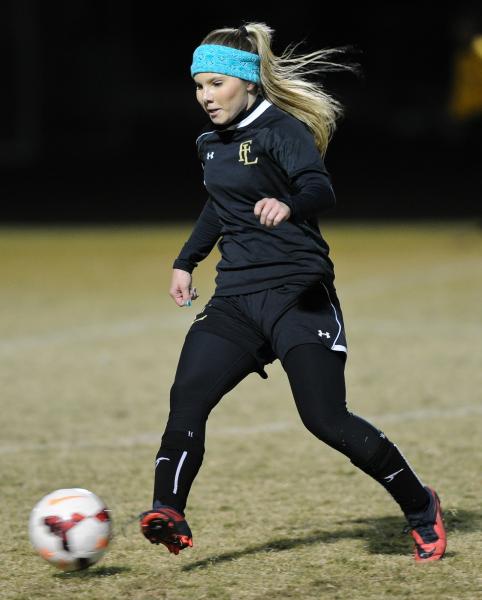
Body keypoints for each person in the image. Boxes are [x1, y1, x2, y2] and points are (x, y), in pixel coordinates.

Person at [139, 22, 446, 562]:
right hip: (236, 300)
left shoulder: (281, 130)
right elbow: (219, 205)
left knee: (325, 419)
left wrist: (290, 206)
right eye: (198, 86)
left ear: (247, 82)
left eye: (215, 84)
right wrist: (186, 261)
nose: (205, 97)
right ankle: (169, 512)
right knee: (187, 399)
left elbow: (318, 186)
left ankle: (421, 505)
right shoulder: (210, 144)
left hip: (298, 296)